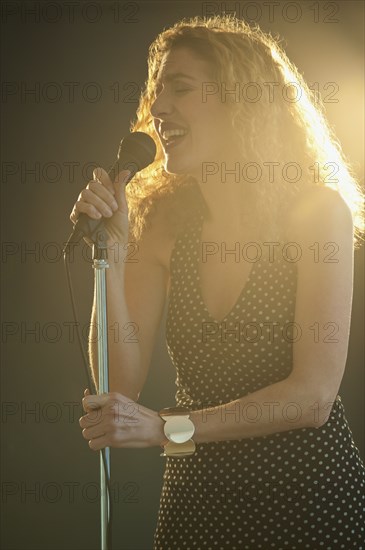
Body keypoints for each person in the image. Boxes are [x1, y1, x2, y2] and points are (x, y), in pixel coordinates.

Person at [72, 15, 365, 550]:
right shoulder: (161, 225)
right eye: (156, 92)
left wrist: (166, 429)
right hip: (197, 501)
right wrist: (110, 259)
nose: (157, 109)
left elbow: (313, 396)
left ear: (241, 100)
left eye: (179, 88)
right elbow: (120, 387)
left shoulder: (317, 213)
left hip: (306, 500)